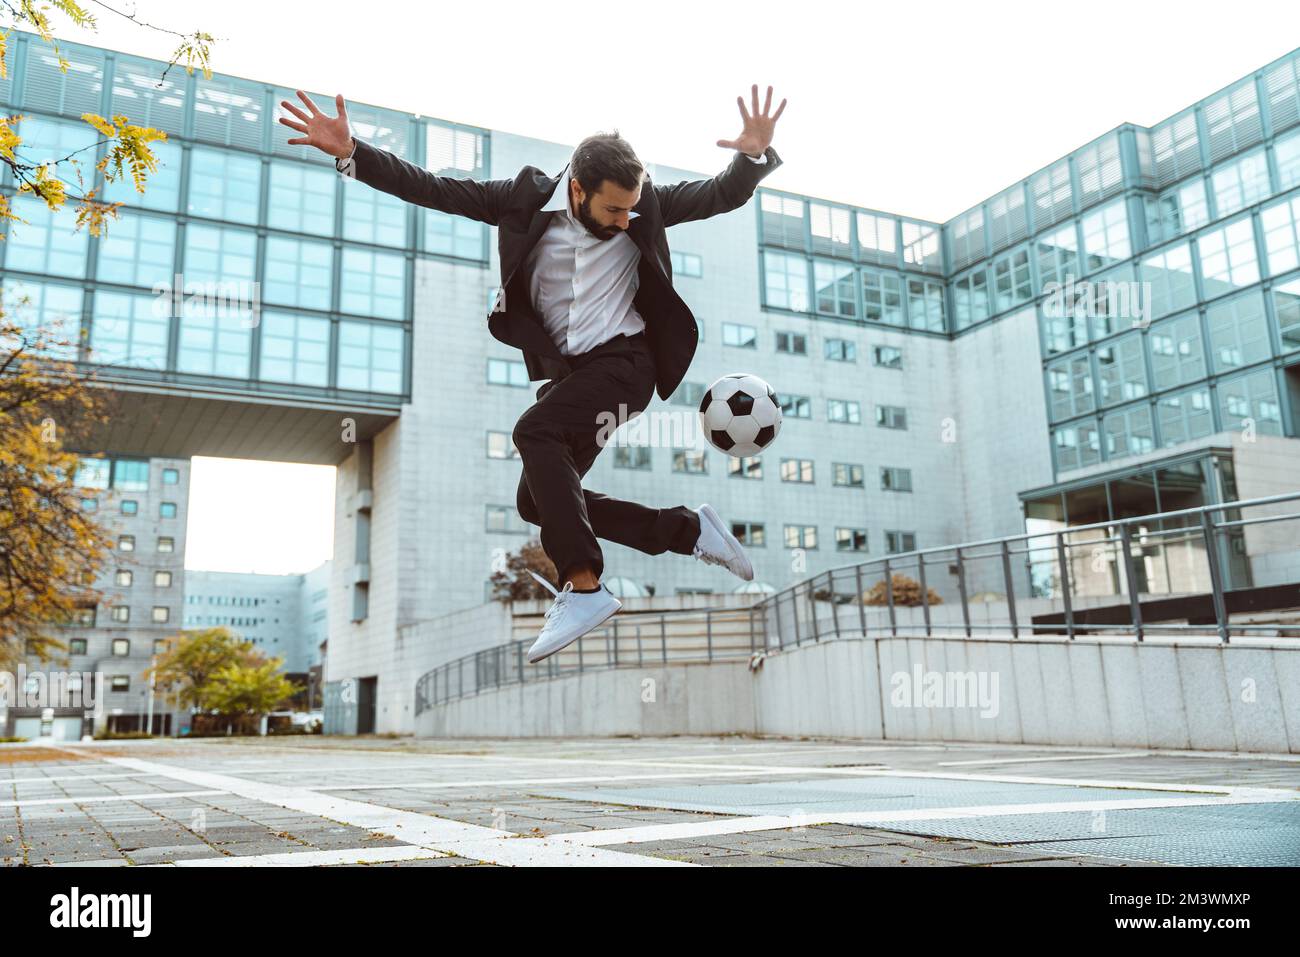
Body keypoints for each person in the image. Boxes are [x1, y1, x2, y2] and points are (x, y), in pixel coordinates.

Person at [280, 85, 787, 663]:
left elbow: (719, 194)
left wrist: (748, 160)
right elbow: (434, 189)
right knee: (536, 502)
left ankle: (583, 585)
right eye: (613, 210)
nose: (626, 221)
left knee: (534, 432)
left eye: (632, 209)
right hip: (582, 380)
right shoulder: (520, 201)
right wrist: (355, 153)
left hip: (628, 368)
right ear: (576, 188)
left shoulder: (645, 208)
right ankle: (688, 532)